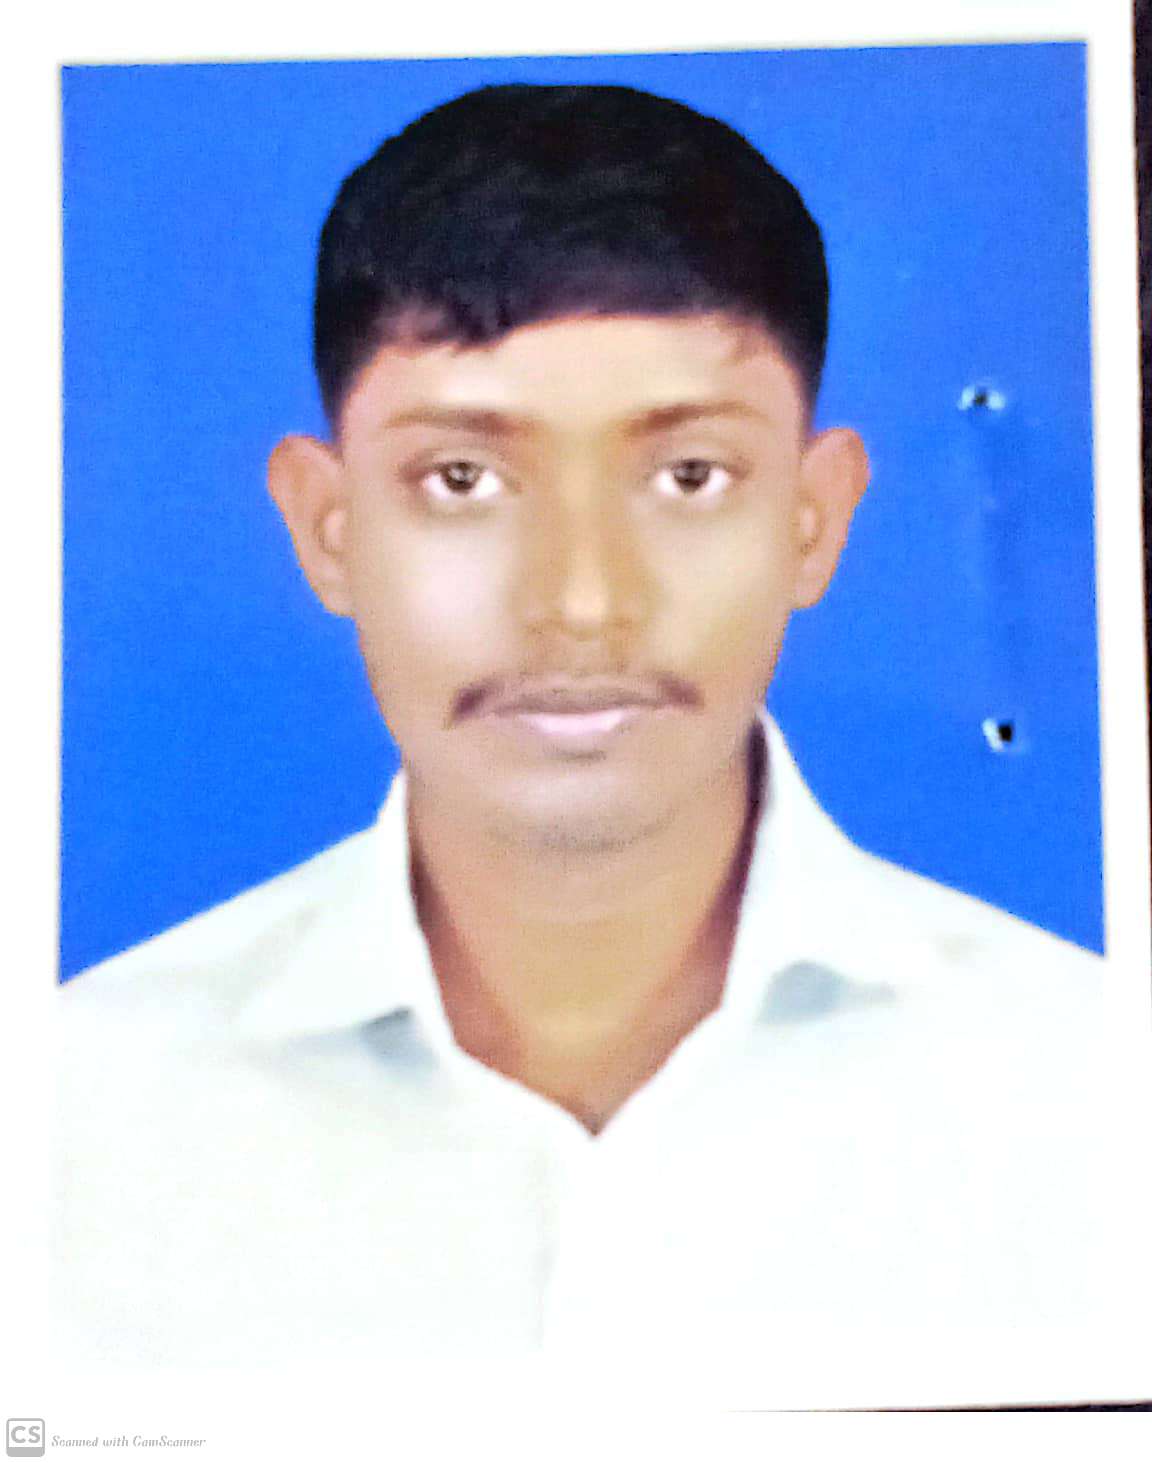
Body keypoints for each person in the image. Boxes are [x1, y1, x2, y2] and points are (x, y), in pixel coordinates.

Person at [56, 83, 1151, 1402]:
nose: (580, 602)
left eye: (689, 477)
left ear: (814, 520)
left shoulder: (1094, 1090)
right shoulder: (67, 1112)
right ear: (327, 528)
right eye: (463, 480)